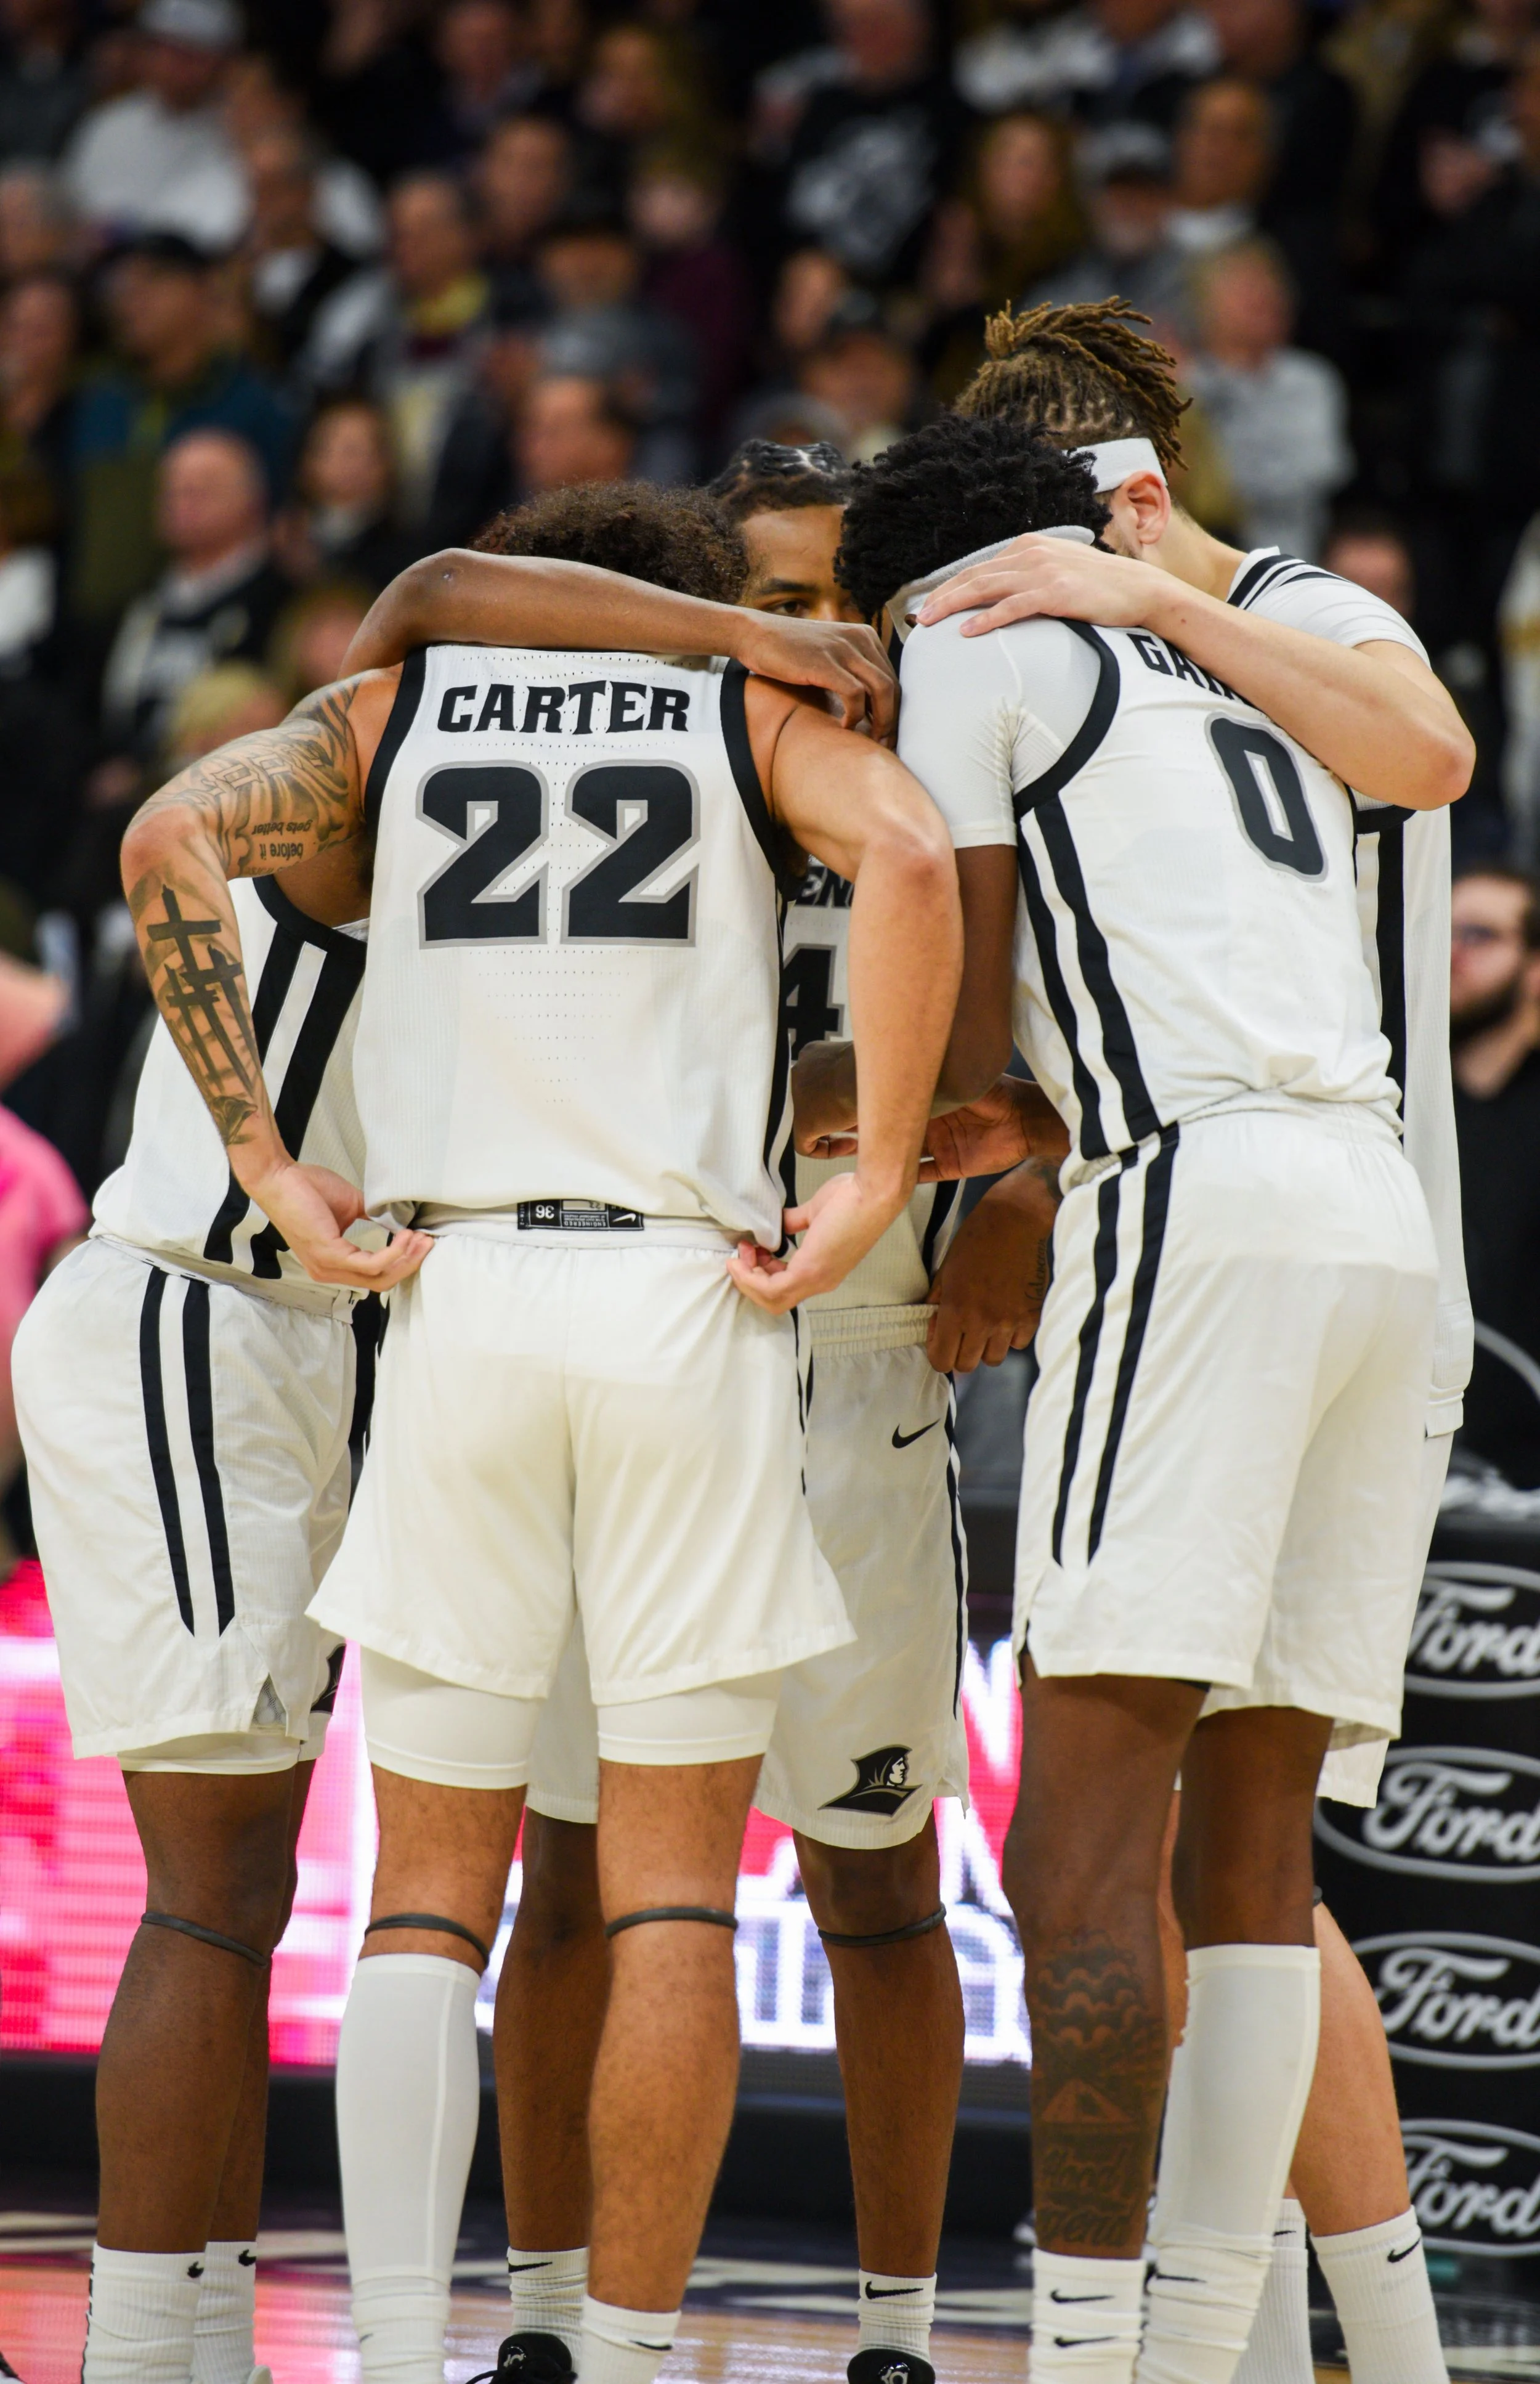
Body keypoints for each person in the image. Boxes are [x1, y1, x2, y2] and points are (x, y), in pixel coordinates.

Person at [118, 474, 960, 2384]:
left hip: (456, 1288)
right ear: (674, 604)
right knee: (667, 1879)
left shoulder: (401, 704)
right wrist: (884, 1161)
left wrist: (265, 1152)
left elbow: (171, 831)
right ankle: (635, 2347)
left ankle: (406, 2347)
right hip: (683, 1294)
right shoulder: (750, 713)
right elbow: (908, 862)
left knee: (426, 1892)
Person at [354, 439, 1060, 2384]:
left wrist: (1008, 1181)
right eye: (770, 600)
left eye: (837, 601)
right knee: (582, 1872)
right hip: (679, 1322)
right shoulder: (716, 740)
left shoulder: (945, 798)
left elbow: (1071, 1064)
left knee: (875, 1877)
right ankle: (559, 2313)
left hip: (847, 1377)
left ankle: (899, 2323)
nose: (806, 636)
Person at [832, 405, 1445, 2384]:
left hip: (1188, 1205)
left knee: (1071, 1856)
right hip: (1374, 1211)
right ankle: (1198, 2350)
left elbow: (962, 986)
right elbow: (1427, 764)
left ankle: (1088, 2351)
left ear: (911, 587)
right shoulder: (1242, 650)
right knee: (1249, 1864)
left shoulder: (964, 648)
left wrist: (888, 1143)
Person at [98, 429, 289, 771]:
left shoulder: (284, 603)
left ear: (253, 499)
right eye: (173, 487)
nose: (183, 498)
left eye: (205, 486)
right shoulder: (136, 603)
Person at [1449, 865, 1540, 1486]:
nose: (1452, 953)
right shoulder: (1384, 1096)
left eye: (1479, 935)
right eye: (1445, 930)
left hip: (1518, 1481)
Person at [1186, 238, 1353, 559]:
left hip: (1292, 561)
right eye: (1245, 287)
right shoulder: (1185, 384)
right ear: (1205, 304)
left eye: (1271, 284)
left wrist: (1217, 478)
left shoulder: (1311, 380)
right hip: (1200, 562)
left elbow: (1315, 472)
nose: (1265, 297)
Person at [60, 0, 245, 249]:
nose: (169, 64)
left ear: (222, 61)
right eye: (160, 49)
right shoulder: (109, 123)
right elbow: (71, 204)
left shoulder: (237, 132)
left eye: (187, 54)